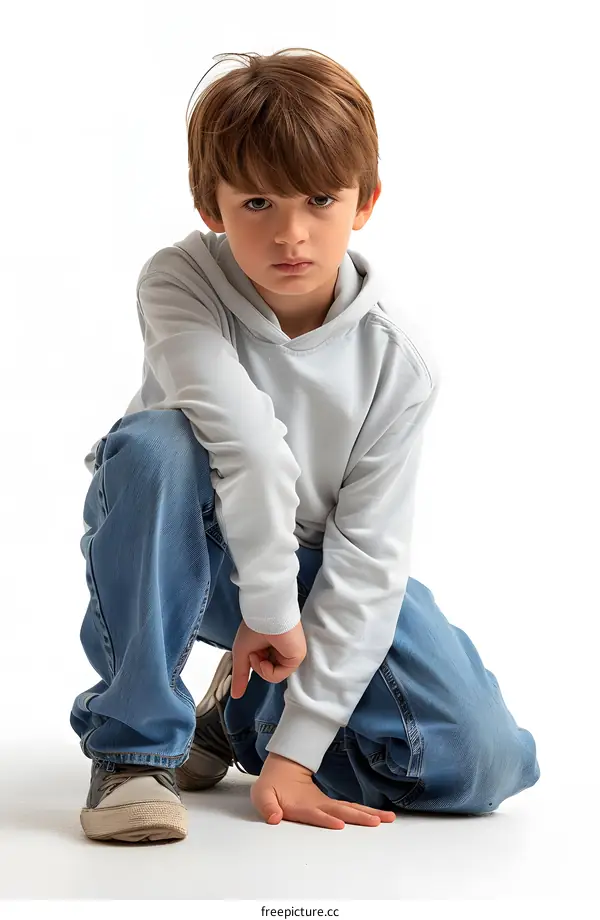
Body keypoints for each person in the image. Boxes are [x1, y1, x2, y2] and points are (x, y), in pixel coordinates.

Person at [70, 47, 540, 844]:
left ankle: (244, 716)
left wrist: (296, 752)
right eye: (257, 203)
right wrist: (269, 608)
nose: (292, 234)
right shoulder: (178, 282)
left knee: (482, 761)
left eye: (320, 199)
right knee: (156, 444)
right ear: (210, 205)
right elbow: (247, 444)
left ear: (365, 202)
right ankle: (134, 749)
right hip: (187, 548)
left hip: (311, 572)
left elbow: (368, 558)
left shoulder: (399, 362)